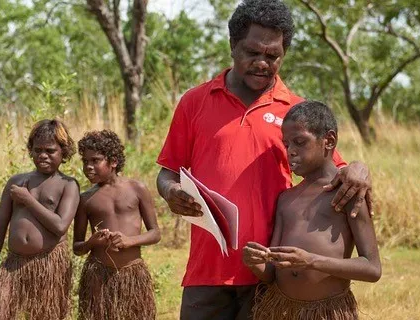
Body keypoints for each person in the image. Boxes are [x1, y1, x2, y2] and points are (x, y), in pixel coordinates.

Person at [156, 0, 373, 319]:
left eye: (273, 56)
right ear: (233, 45)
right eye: (252, 52)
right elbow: (167, 173)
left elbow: (333, 172)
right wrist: (171, 192)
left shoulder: (295, 112)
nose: (262, 63)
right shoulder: (194, 102)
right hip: (207, 270)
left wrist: (359, 168)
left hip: (271, 274)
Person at [243, 100, 381, 320]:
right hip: (282, 309)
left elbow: (372, 268)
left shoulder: (347, 193)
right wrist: (257, 262)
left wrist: (311, 261)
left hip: (326, 312)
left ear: (329, 140)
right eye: (287, 144)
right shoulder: (286, 198)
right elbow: (271, 273)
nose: (291, 152)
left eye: (300, 142)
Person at [0, 119, 80, 320]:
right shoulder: (15, 182)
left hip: (48, 263)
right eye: (38, 150)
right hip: (13, 265)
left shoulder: (68, 185)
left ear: (63, 152)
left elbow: (60, 226)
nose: (43, 155)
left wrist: (28, 199)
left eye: (50, 150)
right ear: (31, 151)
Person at [73, 129, 161, 320]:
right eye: (85, 161)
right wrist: (91, 242)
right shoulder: (85, 199)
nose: (88, 166)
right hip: (97, 275)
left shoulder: (137, 189)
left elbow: (155, 233)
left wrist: (129, 240)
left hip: (132, 273)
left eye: (95, 160)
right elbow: (77, 247)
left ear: (113, 161)